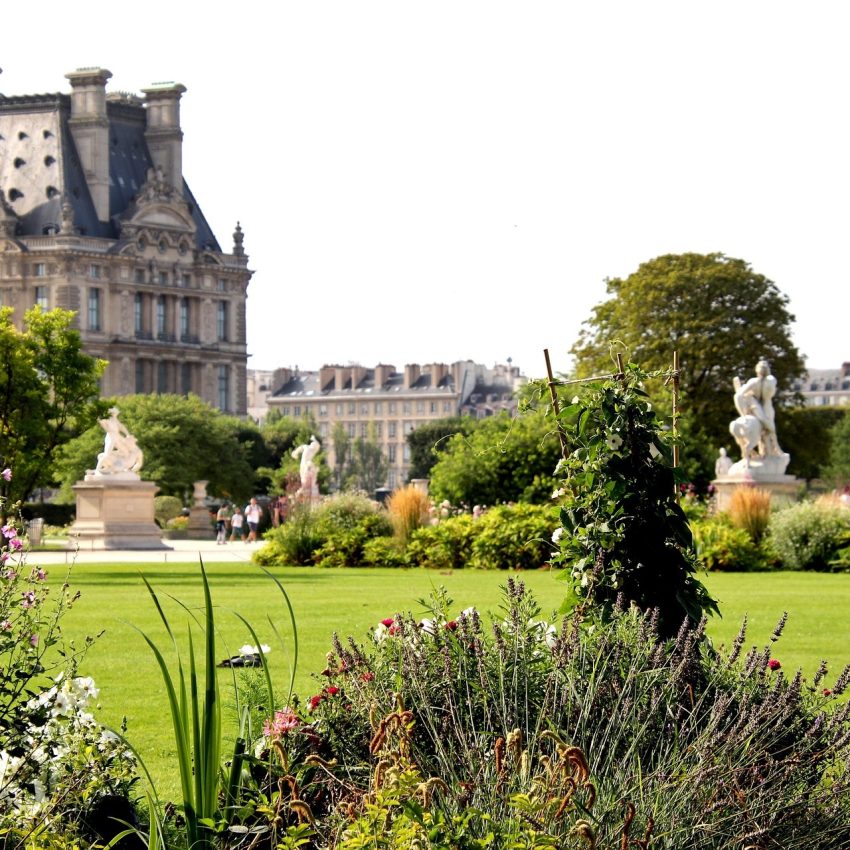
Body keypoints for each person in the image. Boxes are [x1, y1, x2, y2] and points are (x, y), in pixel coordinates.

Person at [732, 360, 782, 456]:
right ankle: (775, 450)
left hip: (755, 408)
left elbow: (738, 395)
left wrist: (743, 413)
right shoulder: (770, 380)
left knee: (768, 428)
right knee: (770, 428)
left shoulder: (754, 382)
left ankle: (768, 451)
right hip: (763, 408)